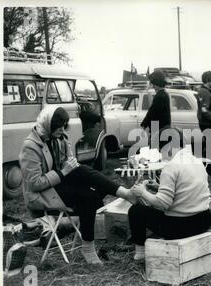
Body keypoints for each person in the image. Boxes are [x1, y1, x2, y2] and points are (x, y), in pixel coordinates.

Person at [19, 106, 135, 265]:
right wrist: (63, 172)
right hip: (42, 194)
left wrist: (69, 168)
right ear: (47, 124)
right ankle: (88, 246)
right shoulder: (30, 146)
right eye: (58, 126)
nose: (61, 129)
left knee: (86, 174)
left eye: (63, 125)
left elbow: (72, 164)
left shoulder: (60, 138)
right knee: (89, 196)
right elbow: (34, 184)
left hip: (59, 184)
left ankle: (124, 194)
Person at [129, 128, 211, 261]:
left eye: (160, 151)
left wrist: (143, 192)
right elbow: (186, 190)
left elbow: (163, 204)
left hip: (180, 226)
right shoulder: (197, 161)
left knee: (136, 211)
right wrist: (158, 187)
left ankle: (140, 252)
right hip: (204, 220)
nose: (161, 156)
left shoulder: (171, 167)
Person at [141, 70, 171, 141]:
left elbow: (151, 112)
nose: (153, 86)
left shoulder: (159, 96)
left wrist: (143, 125)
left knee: (155, 150)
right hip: (163, 127)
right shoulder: (164, 94)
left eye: (153, 83)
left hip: (158, 128)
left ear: (157, 83)